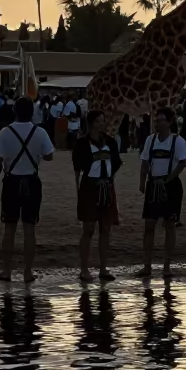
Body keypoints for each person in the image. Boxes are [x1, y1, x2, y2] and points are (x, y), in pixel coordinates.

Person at [0, 95, 55, 283]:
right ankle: (27, 272)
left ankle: (7, 271)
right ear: (32, 113)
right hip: (31, 181)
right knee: (29, 229)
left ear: (14, 112)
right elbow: (50, 156)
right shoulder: (40, 132)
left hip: (11, 182)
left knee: (9, 229)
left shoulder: (5, 132)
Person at [138, 106, 186, 277]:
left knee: (169, 225)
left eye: (161, 120)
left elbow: (183, 162)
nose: (157, 123)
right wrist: (142, 182)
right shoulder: (150, 140)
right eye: (156, 120)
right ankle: (147, 265)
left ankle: (166, 266)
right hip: (153, 185)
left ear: (169, 122)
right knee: (149, 225)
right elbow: (144, 161)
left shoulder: (178, 141)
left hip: (171, 187)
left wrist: (169, 179)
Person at [72, 109, 122, 283]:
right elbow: (77, 169)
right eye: (100, 121)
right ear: (92, 123)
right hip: (89, 188)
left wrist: (109, 181)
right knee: (88, 229)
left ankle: (103, 268)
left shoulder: (110, 142)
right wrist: (78, 189)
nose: (103, 124)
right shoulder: (82, 143)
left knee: (105, 229)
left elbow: (116, 163)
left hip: (107, 187)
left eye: (104, 121)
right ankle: (84, 269)